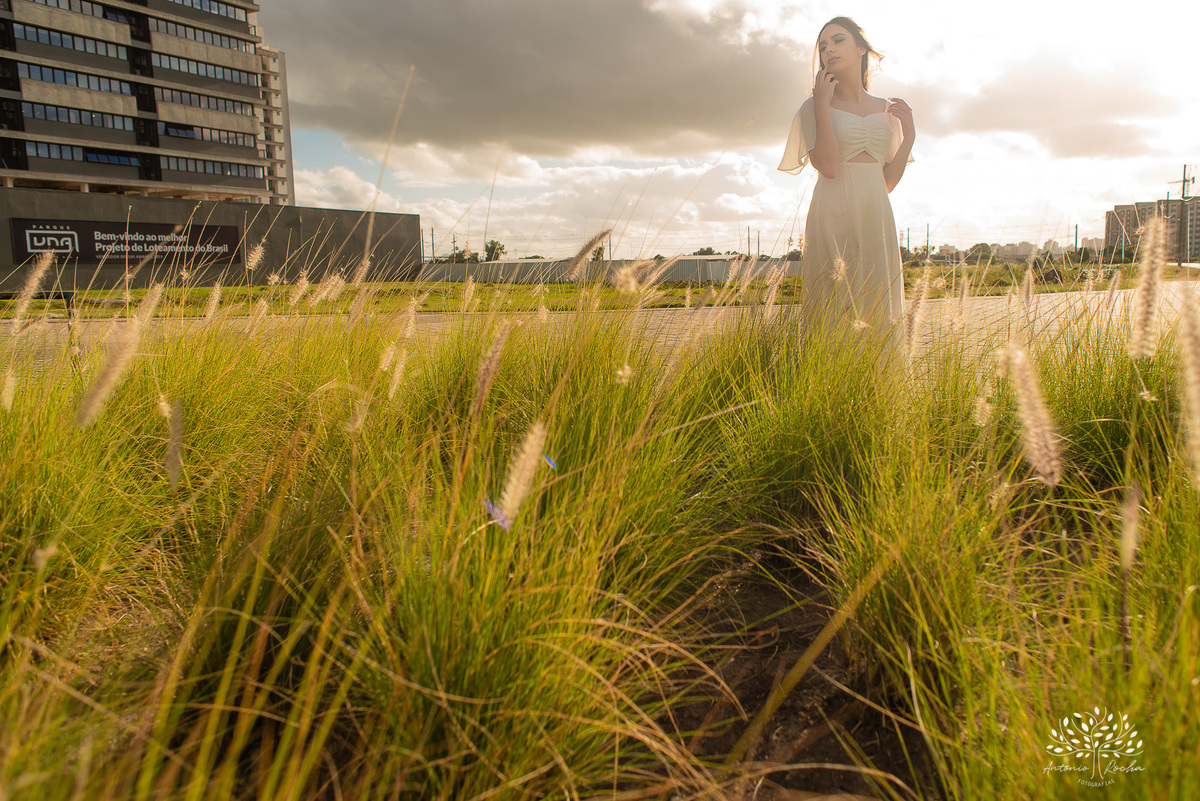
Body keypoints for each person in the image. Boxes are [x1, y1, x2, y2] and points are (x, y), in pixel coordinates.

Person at [779, 17, 914, 338]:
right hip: (833, 211)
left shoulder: (886, 110)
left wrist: (908, 138)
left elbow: (886, 184)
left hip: (876, 215)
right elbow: (828, 167)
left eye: (838, 40)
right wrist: (822, 106)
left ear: (861, 48)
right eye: (823, 46)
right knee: (834, 308)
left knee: (879, 304)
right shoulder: (813, 107)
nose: (828, 50)